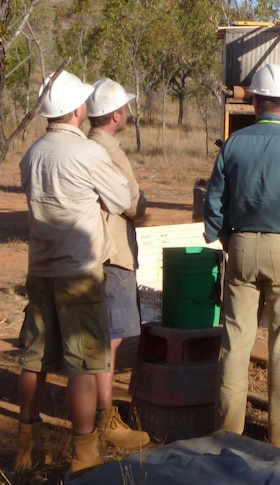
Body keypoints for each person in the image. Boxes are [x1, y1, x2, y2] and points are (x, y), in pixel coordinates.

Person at [203, 63, 280, 462]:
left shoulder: (234, 144)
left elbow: (213, 203)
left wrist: (226, 239)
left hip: (240, 247)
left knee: (236, 345)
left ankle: (227, 435)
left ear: (254, 102)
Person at [17, 70, 131, 477]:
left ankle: (27, 443)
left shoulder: (31, 154)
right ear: (78, 110)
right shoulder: (86, 153)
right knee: (83, 363)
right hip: (79, 271)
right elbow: (120, 199)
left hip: (40, 270)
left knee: (34, 359)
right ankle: (84, 452)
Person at [86, 78, 150, 450]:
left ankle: (97, 411)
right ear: (115, 114)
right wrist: (142, 206)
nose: (127, 112)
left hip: (98, 252)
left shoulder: (92, 145)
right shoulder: (105, 149)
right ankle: (103, 417)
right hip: (113, 254)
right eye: (124, 108)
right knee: (110, 339)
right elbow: (132, 204)